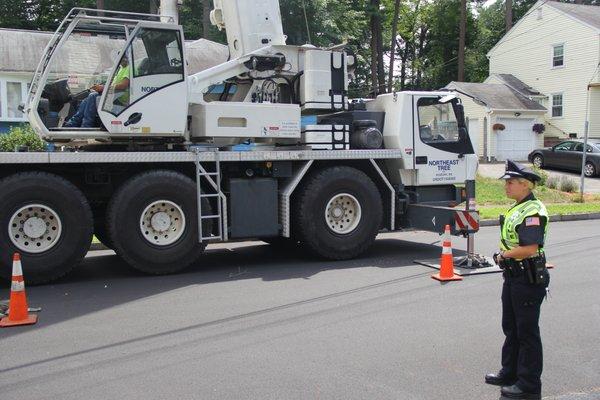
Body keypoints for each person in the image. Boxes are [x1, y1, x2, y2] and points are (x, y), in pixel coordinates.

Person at [485, 160, 550, 400]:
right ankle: (510, 372)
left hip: (527, 277)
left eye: (510, 183)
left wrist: (503, 255)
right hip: (513, 276)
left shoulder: (532, 211)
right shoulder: (518, 206)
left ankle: (528, 385)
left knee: (527, 332)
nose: (506, 186)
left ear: (525, 185)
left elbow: (530, 248)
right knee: (511, 328)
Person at [64, 57, 130, 128]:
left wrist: (103, 88)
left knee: (92, 96)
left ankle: (86, 126)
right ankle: (72, 123)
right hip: (112, 95)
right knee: (86, 99)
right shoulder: (120, 69)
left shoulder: (129, 68)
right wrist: (100, 87)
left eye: (123, 57)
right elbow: (113, 85)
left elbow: (123, 85)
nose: (121, 60)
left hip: (118, 98)